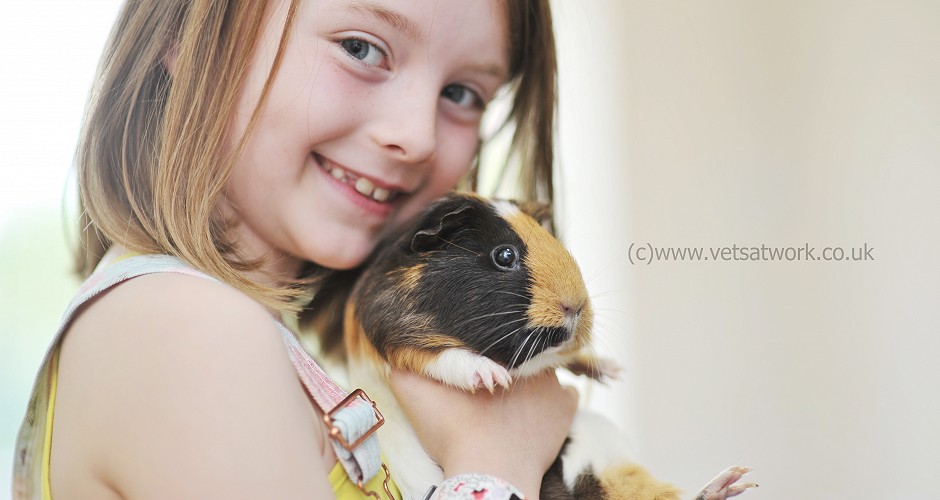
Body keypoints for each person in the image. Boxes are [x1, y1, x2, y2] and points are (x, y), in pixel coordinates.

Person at [13, 0, 577, 499]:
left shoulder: (241, 335)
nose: (418, 135)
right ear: (187, 36)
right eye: (360, 48)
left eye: (461, 94)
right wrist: (495, 463)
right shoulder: (188, 328)